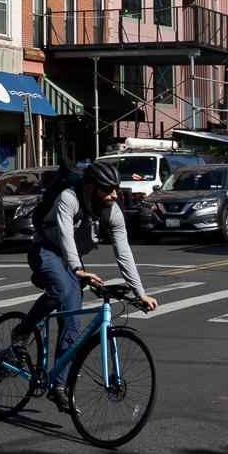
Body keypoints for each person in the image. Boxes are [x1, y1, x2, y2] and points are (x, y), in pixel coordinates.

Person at [15, 160, 157, 414]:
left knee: (71, 323)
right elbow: (66, 236)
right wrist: (77, 269)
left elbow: (123, 253)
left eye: (116, 188)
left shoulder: (112, 211)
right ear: (91, 187)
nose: (115, 194)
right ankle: (22, 332)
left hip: (73, 261)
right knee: (60, 290)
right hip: (46, 251)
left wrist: (140, 292)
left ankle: (58, 387)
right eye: (108, 189)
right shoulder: (69, 198)